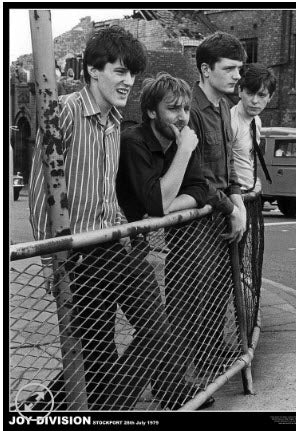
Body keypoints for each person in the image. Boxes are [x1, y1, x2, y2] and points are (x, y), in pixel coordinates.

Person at [29, 26, 194, 412]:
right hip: (78, 255)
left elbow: (106, 190)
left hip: (116, 246)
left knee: (155, 329)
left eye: (132, 73)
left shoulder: (116, 122)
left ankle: (105, 408)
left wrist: (125, 230)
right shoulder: (63, 112)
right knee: (96, 356)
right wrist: (52, 263)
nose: (128, 81)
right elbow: (39, 193)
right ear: (92, 69)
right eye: (120, 71)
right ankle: (73, 408)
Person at [117, 72, 247, 406]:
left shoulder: (179, 140)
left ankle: (169, 392)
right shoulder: (135, 141)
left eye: (186, 108)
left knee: (156, 327)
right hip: (112, 245)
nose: (183, 116)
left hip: (136, 246)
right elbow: (157, 201)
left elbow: (200, 187)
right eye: (173, 108)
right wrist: (185, 153)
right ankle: (93, 403)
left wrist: (222, 207)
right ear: (151, 112)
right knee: (145, 330)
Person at [188, 31, 247, 368]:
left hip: (223, 215)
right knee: (196, 292)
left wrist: (237, 204)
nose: (237, 76)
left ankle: (210, 354)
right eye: (230, 69)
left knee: (219, 289)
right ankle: (193, 368)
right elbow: (196, 179)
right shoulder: (191, 110)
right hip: (198, 222)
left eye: (239, 68)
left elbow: (228, 170)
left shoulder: (223, 106)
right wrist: (231, 207)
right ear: (206, 70)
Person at [231, 63, 276, 191]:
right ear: (240, 91)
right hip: (234, 196)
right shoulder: (230, 122)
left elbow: (248, 158)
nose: (255, 101)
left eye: (261, 95)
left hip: (250, 193)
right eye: (250, 93)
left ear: (270, 97)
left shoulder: (256, 121)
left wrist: (255, 183)